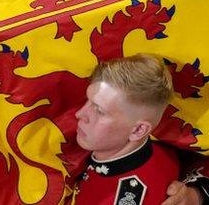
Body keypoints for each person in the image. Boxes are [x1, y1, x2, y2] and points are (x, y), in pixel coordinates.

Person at [72, 54, 199, 204]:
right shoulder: (164, 151)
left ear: (138, 130)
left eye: (99, 111)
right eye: (88, 101)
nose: (79, 114)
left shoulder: (127, 197)